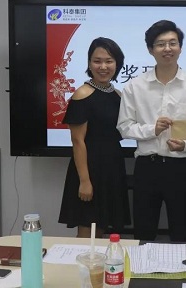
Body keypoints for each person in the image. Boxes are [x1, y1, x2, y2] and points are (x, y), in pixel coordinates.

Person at [117, 20, 186, 242]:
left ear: (180, 47)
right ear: (151, 49)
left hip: (182, 169)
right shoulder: (135, 87)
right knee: (144, 233)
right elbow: (124, 127)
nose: (167, 48)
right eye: (160, 44)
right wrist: (153, 129)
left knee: (182, 233)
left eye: (172, 43)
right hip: (147, 168)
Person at [58, 37, 130, 238]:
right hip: (90, 168)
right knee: (88, 230)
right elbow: (77, 141)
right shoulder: (82, 94)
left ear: (117, 63)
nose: (103, 66)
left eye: (109, 61)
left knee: (104, 228)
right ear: (89, 63)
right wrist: (84, 181)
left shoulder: (118, 95)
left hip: (112, 167)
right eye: (97, 61)